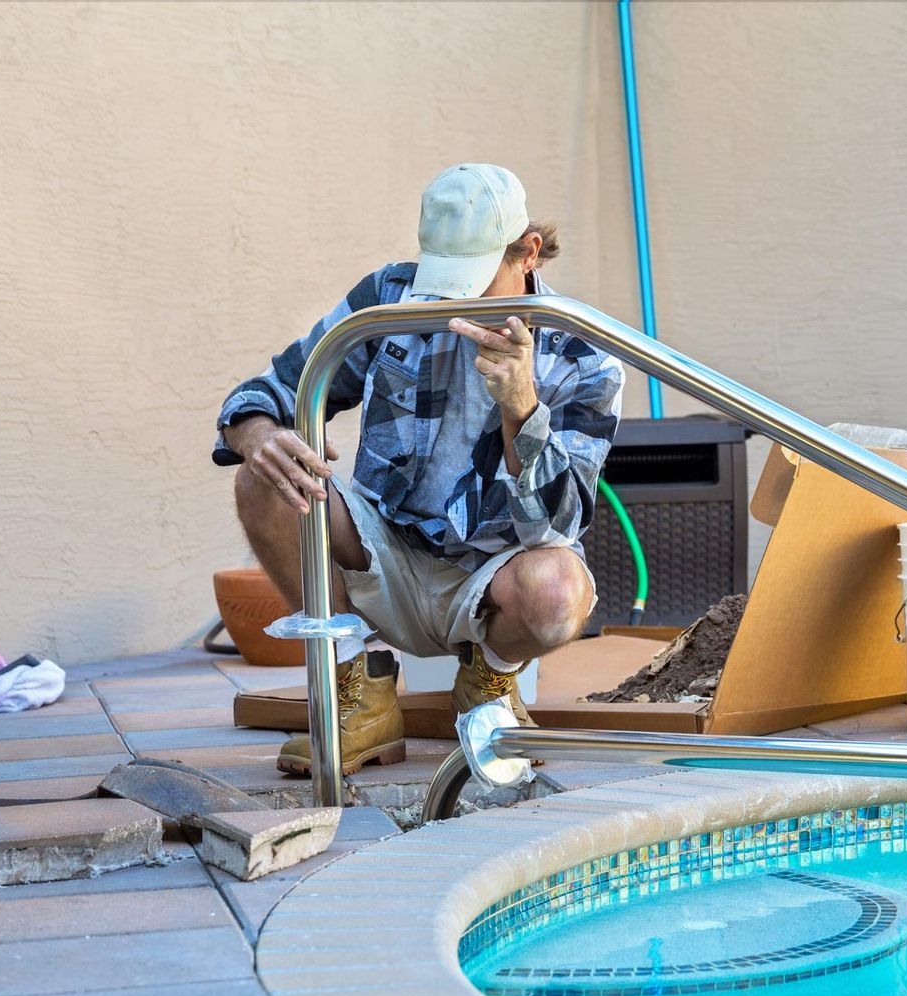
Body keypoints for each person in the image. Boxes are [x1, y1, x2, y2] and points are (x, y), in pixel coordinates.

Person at [215, 163, 625, 776]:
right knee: (261, 479)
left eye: (474, 280)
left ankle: (489, 685)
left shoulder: (585, 355)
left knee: (558, 591)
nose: (453, 302)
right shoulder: (391, 300)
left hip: (496, 572)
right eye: (446, 279)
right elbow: (272, 389)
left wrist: (521, 406)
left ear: (529, 253)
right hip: (384, 554)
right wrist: (260, 435)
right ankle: (358, 690)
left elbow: (555, 524)